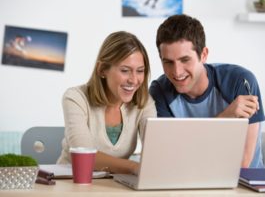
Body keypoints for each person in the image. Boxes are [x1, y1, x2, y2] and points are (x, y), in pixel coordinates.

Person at [149, 14, 265, 168]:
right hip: (188, 182)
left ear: (203, 55)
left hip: (245, 186)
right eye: (168, 62)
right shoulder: (160, 91)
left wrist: (189, 146)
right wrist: (225, 117)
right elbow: (170, 157)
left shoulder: (240, 81)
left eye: (185, 60)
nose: (177, 72)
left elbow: (242, 163)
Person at [57, 31, 157, 175]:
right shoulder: (75, 98)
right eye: (125, 70)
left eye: (140, 71)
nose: (134, 80)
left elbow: (154, 149)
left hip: (115, 186)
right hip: (72, 183)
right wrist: (133, 167)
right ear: (102, 69)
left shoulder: (144, 103)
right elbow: (85, 156)